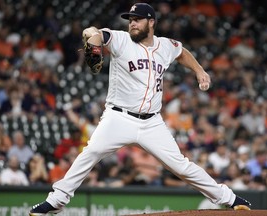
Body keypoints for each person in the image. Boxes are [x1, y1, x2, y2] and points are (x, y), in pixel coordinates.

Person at [29, 3, 251, 215]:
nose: (132, 23)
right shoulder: (121, 40)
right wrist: (94, 45)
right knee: (91, 152)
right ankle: (56, 201)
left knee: (181, 166)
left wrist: (200, 71)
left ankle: (230, 199)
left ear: (151, 22)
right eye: (130, 20)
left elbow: (182, 52)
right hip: (119, 117)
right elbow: (93, 32)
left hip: (152, 122)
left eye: (137, 20)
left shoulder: (165, 45)